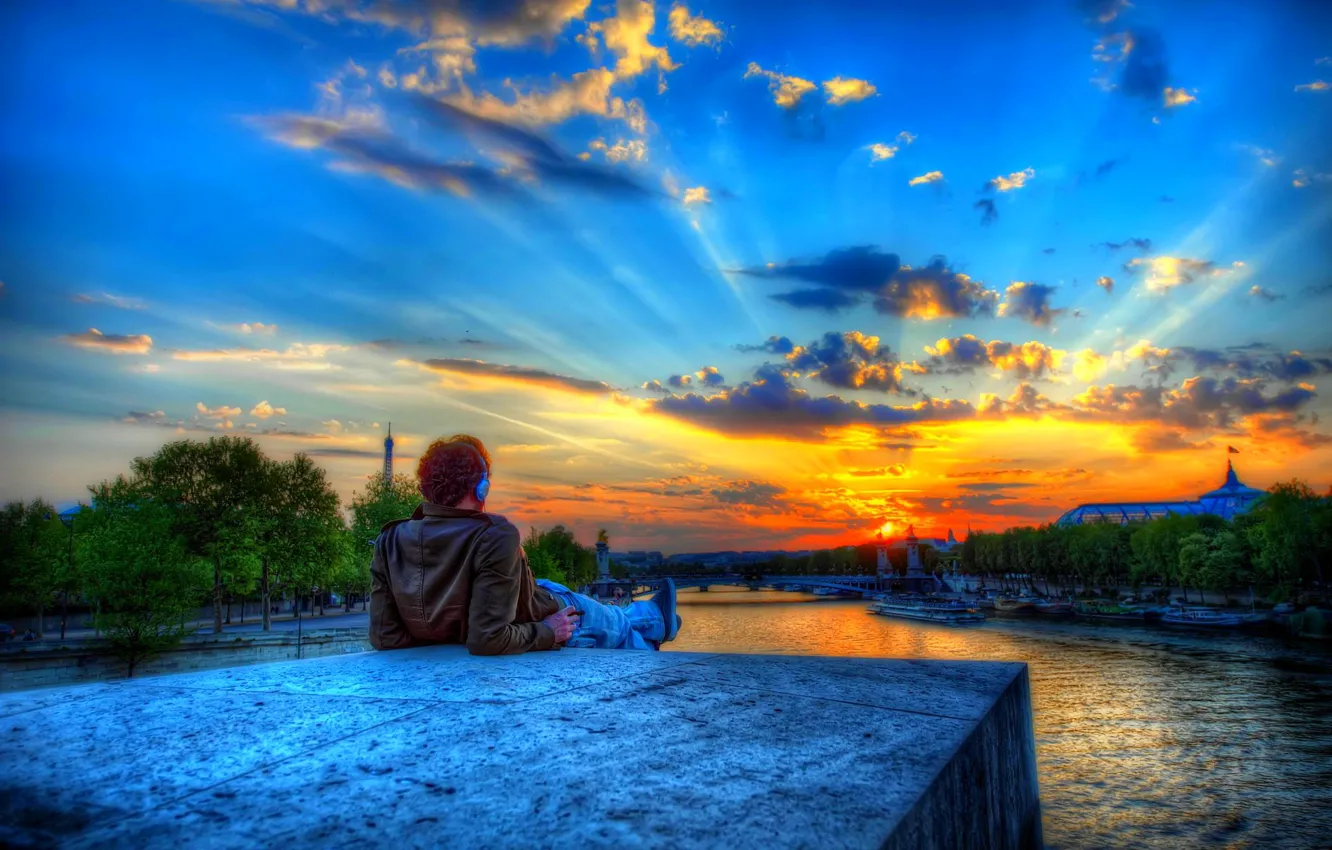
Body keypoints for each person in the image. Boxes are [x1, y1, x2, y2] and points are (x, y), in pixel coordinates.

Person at [369, 434, 681, 655]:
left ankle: (651, 618)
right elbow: (488, 638)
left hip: (528, 591)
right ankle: (653, 627)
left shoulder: (389, 540)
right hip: (545, 611)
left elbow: (385, 637)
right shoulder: (494, 535)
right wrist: (548, 631)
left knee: (554, 588)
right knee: (615, 625)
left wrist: (443, 631)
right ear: (481, 487)